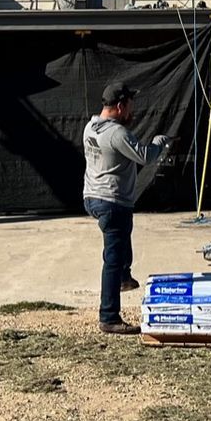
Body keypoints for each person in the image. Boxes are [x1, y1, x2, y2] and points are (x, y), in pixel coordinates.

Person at [82, 81, 171, 335]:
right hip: (112, 201)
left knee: (122, 239)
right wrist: (160, 142)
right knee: (113, 257)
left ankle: (123, 276)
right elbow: (145, 155)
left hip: (93, 197)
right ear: (120, 106)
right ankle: (109, 316)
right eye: (130, 105)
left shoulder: (90, 128)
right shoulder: (117, 134)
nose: (133, 110)